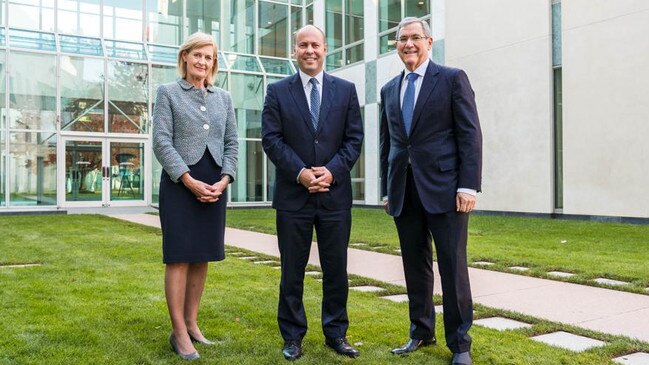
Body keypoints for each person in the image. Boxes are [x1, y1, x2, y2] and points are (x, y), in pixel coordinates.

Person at [379, 17, 482, 365]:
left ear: (429, 42)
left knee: (452, 267)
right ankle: (420, 332)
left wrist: (468, 185)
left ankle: (460, 345)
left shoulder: (452, 79)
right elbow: (388, 143)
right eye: (402, 39)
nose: (409, 44)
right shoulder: (389, 89)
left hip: (446, 190)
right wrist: (387, 188)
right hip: (404, 191)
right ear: (396, 45)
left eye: (415, 38)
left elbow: (470, 135)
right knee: (414, 265)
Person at [261, 24, 364, 361]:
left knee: (337, 270)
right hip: (294, 197)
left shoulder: (346, 91)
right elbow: (271, 140)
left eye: (315, 45)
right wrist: (302, 173)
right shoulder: (277, 91)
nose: (309, 50)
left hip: (335, 198)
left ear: (325, 49)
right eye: (303, 45)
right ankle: (292, 337)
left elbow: (354, 139)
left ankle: (336, 333)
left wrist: (331, 171)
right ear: (294, 50)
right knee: (293, 271)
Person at [153, 32, 238, 360]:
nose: (203, 62)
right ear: (185, 56)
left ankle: (192, 324)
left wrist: (226, 179)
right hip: (180, 185)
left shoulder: (224, 98)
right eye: (198, 55)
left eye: (209, 57)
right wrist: (187, 180)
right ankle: (178, 332)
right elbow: (161, 141)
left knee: (202, 255)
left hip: (215, 186)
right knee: (179, 257)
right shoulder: (168, 93)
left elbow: (232, 141)